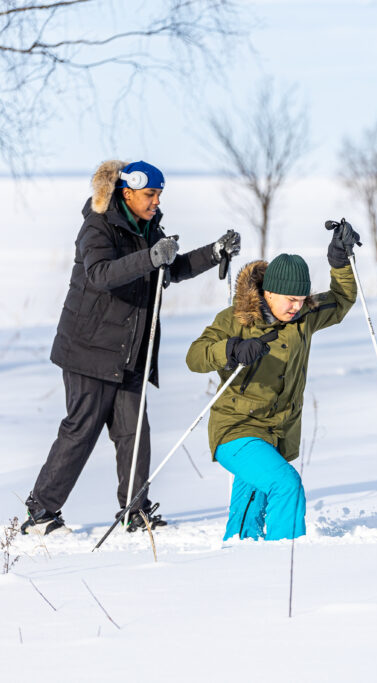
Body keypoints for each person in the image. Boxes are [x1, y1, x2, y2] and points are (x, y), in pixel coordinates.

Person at [22, 160, 240, 535]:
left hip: (128, 352)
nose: (156, 202)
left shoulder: (149, 228)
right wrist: (150, 257)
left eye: (159, 195)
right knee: (82, 430)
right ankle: (41, 512)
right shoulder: (97, 225)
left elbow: (170, 269)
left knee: (134, 431)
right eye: (150, 195)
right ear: (127, 193)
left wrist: (214, 252)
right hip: (88, 349)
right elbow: (101, 274)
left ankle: (134, 511)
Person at [185, 221, 359, 541]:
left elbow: (342, 298)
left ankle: (240, 558)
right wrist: (232, 349)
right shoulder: (234, 320)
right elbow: (194, 357)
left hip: (276, 435)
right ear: (268, 292)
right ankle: (288, 557)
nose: (296, 306)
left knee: (246, 521)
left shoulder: (305, 315)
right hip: (235, 431)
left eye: (301, 298)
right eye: (289, 299)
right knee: (285, 485)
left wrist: (339, 261)